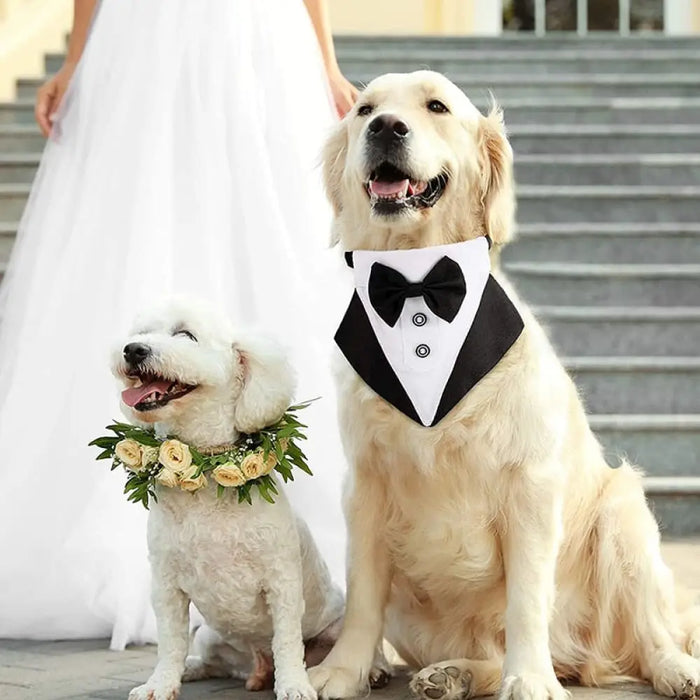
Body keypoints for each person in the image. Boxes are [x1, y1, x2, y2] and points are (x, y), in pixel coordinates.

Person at [0, 0, 356, 650]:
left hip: (251, 35)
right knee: (140, 223)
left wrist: (326, 64)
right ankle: (159, 533)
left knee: (264, 232)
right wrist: (76, 61)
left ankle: (270, 539)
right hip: (146, 39)